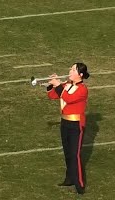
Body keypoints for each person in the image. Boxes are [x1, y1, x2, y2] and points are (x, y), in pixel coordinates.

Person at [42, 63, 89, 194]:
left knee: (75, 155)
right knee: (67, 153)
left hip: (76, 125)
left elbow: (69, 98)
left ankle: (79, 184)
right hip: (65, 123)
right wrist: (52, 84)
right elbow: (52, 96)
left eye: (73, 69)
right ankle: (69, 179)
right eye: (71, 68)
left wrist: (58, 85)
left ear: (80, 75)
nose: (70, 71)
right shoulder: (67, 85)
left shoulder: (82, 89)